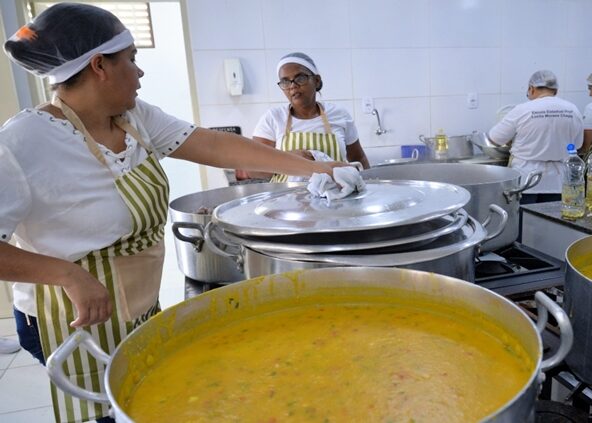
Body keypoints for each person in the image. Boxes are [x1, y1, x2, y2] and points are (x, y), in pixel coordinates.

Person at [0, 4, 350, 423]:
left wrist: (319, 167)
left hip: (137, 304)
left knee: (139, 399)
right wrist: (67, 274)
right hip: (70, 316)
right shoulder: (23, 142)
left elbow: (213, 145)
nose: (140, 72)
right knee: (104, 413)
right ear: (99, 67)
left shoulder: (134, 119)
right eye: (131, 60)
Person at [235, 52, 370, 182]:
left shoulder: (339, 114)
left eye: (300, 78)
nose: (293, 86)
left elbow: (359, 158)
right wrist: (288, 159)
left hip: (336, 199)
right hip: (288, 200)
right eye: (285, 82)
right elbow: (252, 169)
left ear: (316, 81)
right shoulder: (273, 118)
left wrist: (369, 187)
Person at [488, 70, 583, 204]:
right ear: (555, 90)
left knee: (526, 221)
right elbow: (577, 145)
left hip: (527, 180)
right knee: (552, 221)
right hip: (558, 181)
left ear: (531, 89)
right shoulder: (573, 110)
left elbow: (495, 138)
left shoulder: (522, 109)